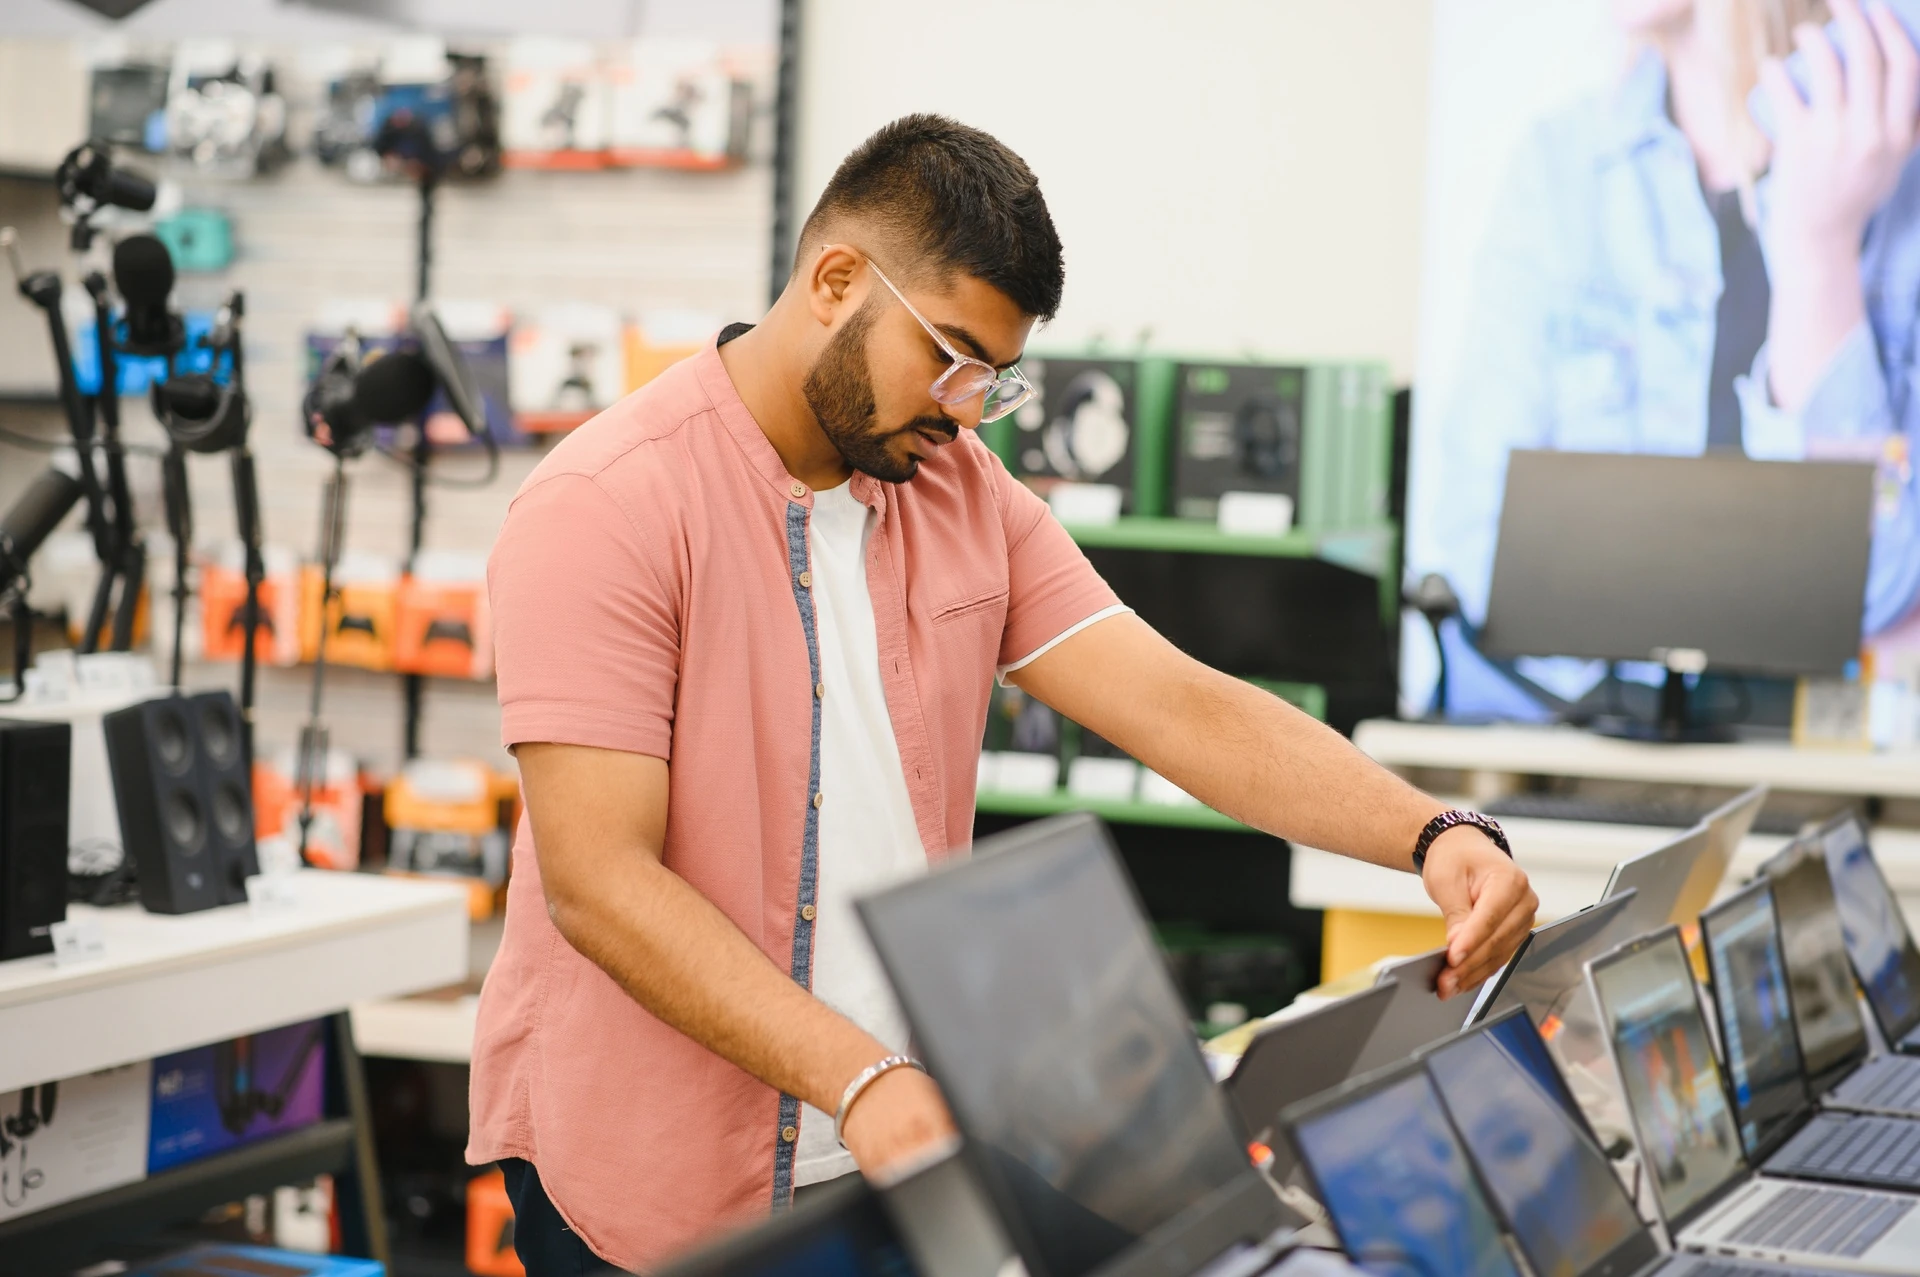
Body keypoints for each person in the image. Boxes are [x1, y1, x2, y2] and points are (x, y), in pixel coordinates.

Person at [467, 114, 1538, 1274]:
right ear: (835, 280)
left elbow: (1180, 705)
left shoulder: (954, 487)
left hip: (890, 1144)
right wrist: (857, 1071)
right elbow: (600, 880)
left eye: (996, 376)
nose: (970, 407)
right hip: (662, 1176)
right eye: (952, 357)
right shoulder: (606, 504)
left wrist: (1432, 831)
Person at [1419, 0, 1920, 720]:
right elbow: (1482, 550)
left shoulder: (1903, 187)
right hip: (1575, 749)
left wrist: (1818, 249)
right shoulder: (1563, 168)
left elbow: (1876, 592)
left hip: (1825, 768)